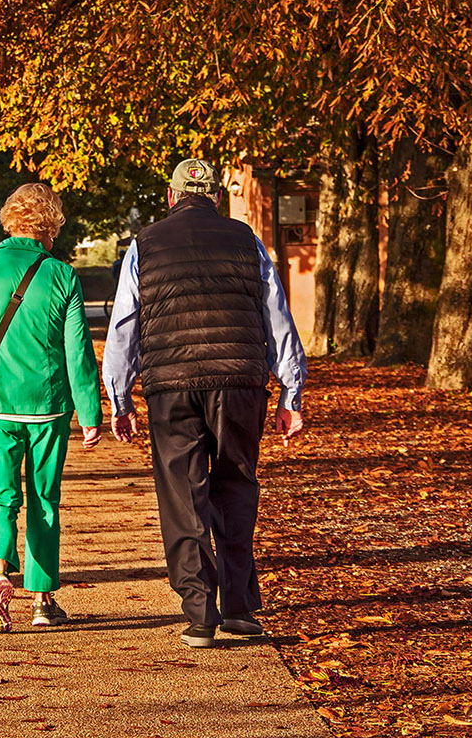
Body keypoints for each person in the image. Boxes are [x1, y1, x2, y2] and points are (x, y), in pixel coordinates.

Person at [102, 159, 307, 648]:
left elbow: (124, 325)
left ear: (171, 197)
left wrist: (119, 397)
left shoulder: (145, 244)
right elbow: (277, 316)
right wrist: (290, 393)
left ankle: (199, 611)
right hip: (239, 382)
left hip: (170, 385)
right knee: (236, 486)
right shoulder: (246, 240)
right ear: (216, 197)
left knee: (181, 494)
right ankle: (238, 607)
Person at [0, 183, 103, 633]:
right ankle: (42, 598)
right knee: (44, 500)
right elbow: (78, 352)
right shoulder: (61, 275)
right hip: (48, 405)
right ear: (50, 225)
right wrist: (91, 414)